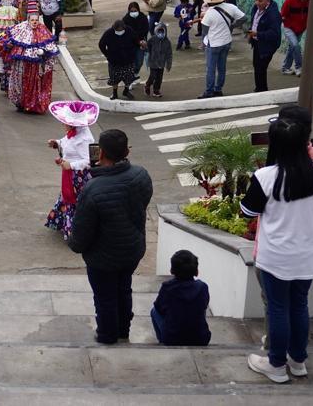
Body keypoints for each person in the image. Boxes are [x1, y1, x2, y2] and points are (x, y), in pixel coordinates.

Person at [240, 117, 313, 382]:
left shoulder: (266, 176)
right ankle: (298, 362)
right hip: (309, 254)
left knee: (277, 308)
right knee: (299, 305)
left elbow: (247, 210)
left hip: (276, 255)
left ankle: (275, 365)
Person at [68, 129, 153, 344]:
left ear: (101, 153)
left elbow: (81, 234)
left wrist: (75, 243)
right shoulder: (141, 174)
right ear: (127, 151)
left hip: (103, 258)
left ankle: (107, 334)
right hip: (132, 249)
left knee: (105, 296)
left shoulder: (94, 188)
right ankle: (123, 330)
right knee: (124, 289)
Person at [45, 101, 98, 240]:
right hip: (70, 173)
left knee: (73, 201)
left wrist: (71, 165)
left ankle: (76, 233)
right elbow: (67, 141)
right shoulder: (74, 132)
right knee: (66, 197)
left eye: (65, 122)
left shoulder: (85, 139)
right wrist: (57, 143)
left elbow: (88, 161)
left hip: (79, 178)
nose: (63, 124)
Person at [151, 250, 212, 347]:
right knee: (198, 307)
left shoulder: (167, 288)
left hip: (172, 340)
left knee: (154, 311)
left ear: (172, 270)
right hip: (201, 339)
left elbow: (159, 308)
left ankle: (161, 341)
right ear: (196, 271)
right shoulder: (202, 287)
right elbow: (204, 305)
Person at [197, 0, 245, 98]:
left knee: (211, 68)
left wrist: (204, 43)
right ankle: (218, 89)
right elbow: (244, 18)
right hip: (227, 41)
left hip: (213, 44)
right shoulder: (231, 7)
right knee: (222, 67)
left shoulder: (209, 13)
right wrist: (233, 25)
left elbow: (205, 32)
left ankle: (209, 91)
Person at [248, 0, 282, 93]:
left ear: (267, 1)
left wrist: (258, 34)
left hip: (267, 45)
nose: (257, 3)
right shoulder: (255, 8)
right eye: (256, 0)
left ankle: (262, 90)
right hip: (256, 42)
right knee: (257, 66)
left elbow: (274, 33)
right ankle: (259, 88)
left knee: (261, 67)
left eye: (260, 1)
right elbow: (254, 21)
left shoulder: (273, 14)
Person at [98, 20, 139, 101]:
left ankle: (126, 91)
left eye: (121, 30)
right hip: (114, 61)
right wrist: (107, 55)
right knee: (114, 78)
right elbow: (101, 44)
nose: (120, 32)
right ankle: (115, 93)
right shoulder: (108, 33)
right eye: (118, 30)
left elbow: (136, 40)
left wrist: (134, 49)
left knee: (129, 77)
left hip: (128, 60)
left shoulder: (129, 30)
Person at [280, 0, 309, 76]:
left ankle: (285, 68)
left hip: (300, 29)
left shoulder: (308, 1)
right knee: (296, 45)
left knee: (292, 47)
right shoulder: (290, 0)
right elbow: (283, 15)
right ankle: (299, 67)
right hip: (289, 28)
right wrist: (289, 25)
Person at [121, 2, 148, 81]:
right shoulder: (125, 19)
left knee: (139, 61)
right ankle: (130, 77)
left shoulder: (143, 17)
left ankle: (135, 74)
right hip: (130, 44)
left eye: (135, 11)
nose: (133, 13)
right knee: (131, 62)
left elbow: (146, 29)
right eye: (131, 11)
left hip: (140, 42)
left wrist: (140, 39)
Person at [145, 23, 173, 98]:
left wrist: (168, 64)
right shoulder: (152, 39)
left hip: (161, 63)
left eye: (162, 32)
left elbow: (169, 54)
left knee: (159, 78)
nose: (160, 33)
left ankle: (156, 90)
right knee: (153, 76)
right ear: (156, 31)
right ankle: (148, 85)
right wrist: (147, 54)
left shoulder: (167, 42)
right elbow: (147, 47)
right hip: (153, 62)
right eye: (159, 31)